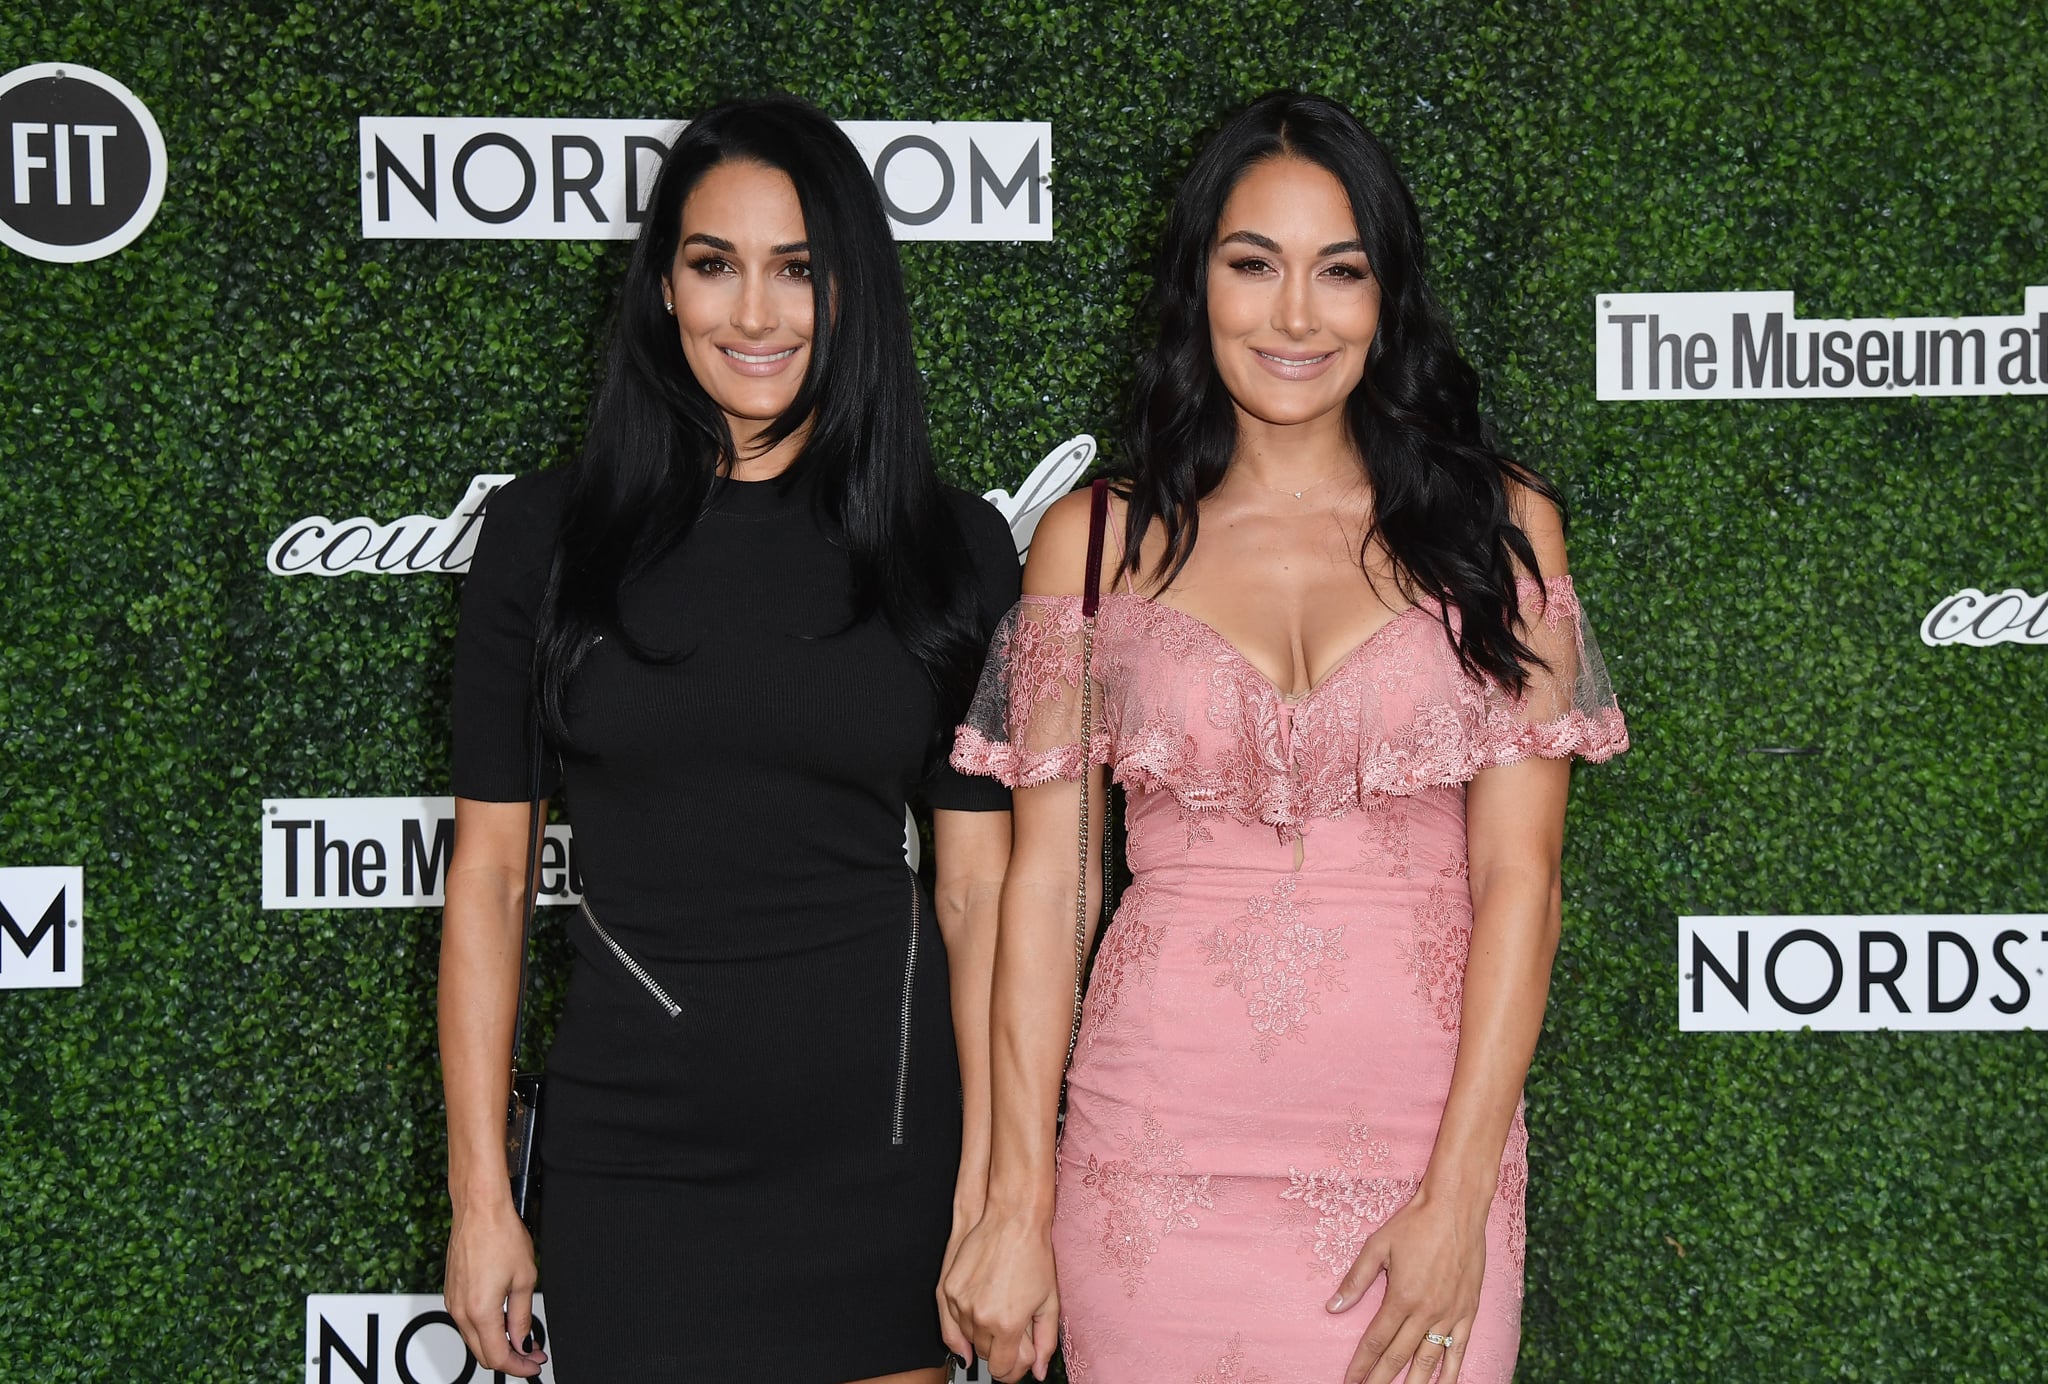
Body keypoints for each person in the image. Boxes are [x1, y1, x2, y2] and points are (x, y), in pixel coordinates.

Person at [941, 92, 1628, 1384]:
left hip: (1418, 1161)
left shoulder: (1502, 532)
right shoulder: (1092, 549)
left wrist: (1460, 1199)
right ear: (1198, 281)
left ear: (1389, 298)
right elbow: (1049, 889)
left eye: (1339, 272)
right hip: (1154, 1160)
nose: (1295, 315)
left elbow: (1518, 880)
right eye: (1254, 265)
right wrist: (1015, 1203)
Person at [437, 96, 1018, 1382]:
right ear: (660, 288)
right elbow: (485, 876)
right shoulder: (547, 539)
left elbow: (978, 894)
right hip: (634, 1153)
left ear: (852, 288)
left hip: (883, 1145)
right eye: (714, 264)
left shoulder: (948, 546)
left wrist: (993, 1190)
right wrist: (482, 1197)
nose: (754, 314)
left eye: (798, 268)